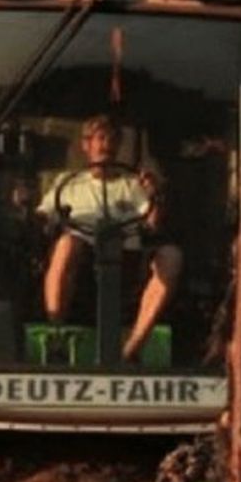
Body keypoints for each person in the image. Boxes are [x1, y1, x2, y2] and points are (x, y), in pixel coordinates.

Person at [38, 114, 183, 362]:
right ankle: (56, 333)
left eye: (113, 140)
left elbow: (152, 224)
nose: (107, 145)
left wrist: (154, 195)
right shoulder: (67, 184)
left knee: (171, 256)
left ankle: (132, 347)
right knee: (66, 244)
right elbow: (42, 218)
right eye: (101, 138)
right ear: (87, 145)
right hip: (82, 265)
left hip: (126, 263)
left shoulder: (132, 186)